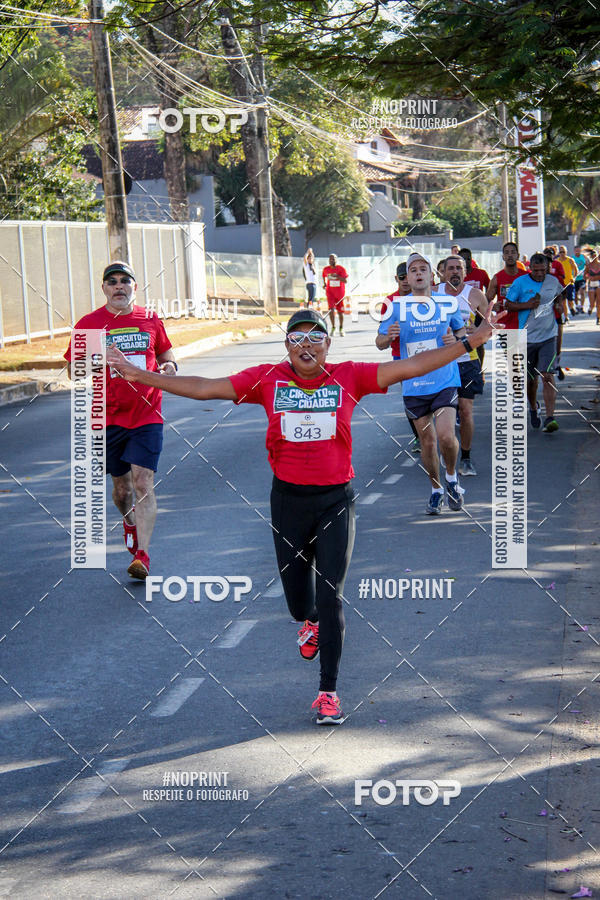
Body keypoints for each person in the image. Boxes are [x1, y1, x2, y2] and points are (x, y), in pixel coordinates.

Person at [107, 305, 502, 724]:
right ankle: (308, 621)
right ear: (287, 345)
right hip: (288, 503)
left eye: (315, 337)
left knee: (331, 597)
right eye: (297, 338)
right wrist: (141, 375)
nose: (306, 344)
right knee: (300, 604)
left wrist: (470, 341)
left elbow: (412, 365)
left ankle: (328, 692)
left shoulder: (350, 376)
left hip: (335, 502)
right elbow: (205, 387)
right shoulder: (267, 379)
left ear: (328, 345)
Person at [64, 261, 177, 580]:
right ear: (104, 288)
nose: (118, 286)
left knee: (143, 482)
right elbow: (73, 371)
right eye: (112, 281)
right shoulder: (89, 324)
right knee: (122, 490)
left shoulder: (150, 319)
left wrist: (170, 367)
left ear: (134, 287)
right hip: (108, 417)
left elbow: (166, 354)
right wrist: (99, 359)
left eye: (124, 281)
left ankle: (143, 555)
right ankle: (129, 522)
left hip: (147, 413)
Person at [377, 253, 471, 515]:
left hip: (444, 379)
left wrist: (455, 339)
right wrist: (389, 337)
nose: (418, 273)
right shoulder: (396, 307)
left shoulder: (447, 302)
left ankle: (451, 478)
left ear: (432, 275)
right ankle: (436, 490)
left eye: (423, 269)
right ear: (407, 278)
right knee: (427, 442)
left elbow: (461, 331)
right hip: (414, 384)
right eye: (413, 270)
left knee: (446, 436)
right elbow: (380, 342)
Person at [438, 255, 488, 476]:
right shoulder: (433, 293)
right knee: (442, 410)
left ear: (465, 272)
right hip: (441, 361)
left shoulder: (475, 295)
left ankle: (466, 458)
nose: (455, 271)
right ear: (443, 272)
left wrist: (477, 331)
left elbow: (488, 326)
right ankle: (447, 446)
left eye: (459, 268)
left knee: (466, 411)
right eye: (450, 268)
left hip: (468, 360)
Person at [505, 252, 562, 433]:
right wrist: (527, 305)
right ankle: (533, 408)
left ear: (547, 268)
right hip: (527, 338)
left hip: (548, 336)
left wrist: (559, 305)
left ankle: (550, 417)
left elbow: (559, 294)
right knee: (531, 381)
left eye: (543, 270)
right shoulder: (520, 283)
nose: (539, 274)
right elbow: (508, 304)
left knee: (547, 375)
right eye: (536, 271)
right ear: (530, 268)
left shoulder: (552, 281)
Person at [375, 260, 421, 452]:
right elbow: (380, 340)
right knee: (410, 396)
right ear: (396, 278)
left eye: (407, 276)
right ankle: (419, 436)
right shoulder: (389, 302)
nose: (405, 281)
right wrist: (389, 336)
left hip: (427, 354)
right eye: (401, 277)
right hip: (401, 356)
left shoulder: (423, 296)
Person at [487, 242, 524, 330]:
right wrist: (492, 307)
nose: (510, 255)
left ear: (518, 256)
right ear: (503, 257)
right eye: (507, 253)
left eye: (513, 252)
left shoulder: (526, 277)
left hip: (524, 325)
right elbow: (486, 301)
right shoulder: (497, 278)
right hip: (503, 327)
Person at [322, 253, 348, 336]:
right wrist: (324, 284)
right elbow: (324, 276)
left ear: (336, 260)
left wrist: (337, 276)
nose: (331, 260)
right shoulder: (326, 269)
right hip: (330, 293)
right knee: (331, 310)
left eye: (333, 259)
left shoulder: (341, 269)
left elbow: (345, 281)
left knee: (340, 312)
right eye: (330, 259)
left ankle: (341, 328)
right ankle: (333, 327)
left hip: (340, 293)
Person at [557, 245, 578, 317]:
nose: (562, 253)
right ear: (558, 253)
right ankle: (566, 317)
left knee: (570, 301)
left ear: (566, 252)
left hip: (569, 283)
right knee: (563, 302)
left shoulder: (570, 260)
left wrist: (574, 278)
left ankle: (571, 308)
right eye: (560, 252)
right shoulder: (557, 261)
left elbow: (576, 270)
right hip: (561, 285)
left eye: (563, 252)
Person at [584, 250, 600, 324]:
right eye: (592, 255)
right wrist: (588, 277)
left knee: (599, 303)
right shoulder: (589, 266)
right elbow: (585, 275)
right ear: (591, 256)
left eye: (595, 255)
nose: (594, 257)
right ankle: (591, 308)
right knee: (592, 303)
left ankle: (598, 318)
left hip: (599, 284)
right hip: (591, 284)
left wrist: (597, 277)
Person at [572, 245, 587, 313]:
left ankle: (582, 306)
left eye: (578, 250)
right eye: (576, 250)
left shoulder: (583, 257)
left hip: (582, 278)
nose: (577, 252)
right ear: (574, 251)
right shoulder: (572, 258)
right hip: (575, 278)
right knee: (575, 294)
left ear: (580, 251)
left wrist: (586, 273)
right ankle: (577, 306)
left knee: (582, 292)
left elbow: (587, 265)